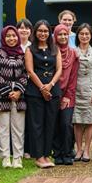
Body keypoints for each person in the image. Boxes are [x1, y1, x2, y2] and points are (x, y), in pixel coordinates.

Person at [24, 20, 62, 169]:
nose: (43, 33)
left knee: (50, 124)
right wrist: (42, 88)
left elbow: (59, 69)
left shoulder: (55, 49)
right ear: (35, 32)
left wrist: (51, 85)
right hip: (35, 92)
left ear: (49, 33)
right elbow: (30, 71)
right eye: (40, 31)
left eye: (46, 31)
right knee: (37, 124)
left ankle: (46, 154)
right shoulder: (30, 49)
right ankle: (38, 156)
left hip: (53, 90)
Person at [0, 25, 28, 168]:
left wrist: (18, 91)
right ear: (3, 38)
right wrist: (7, 92)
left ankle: (17, 158)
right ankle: (5, 157)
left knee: (18, 128)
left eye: (14, 36)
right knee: (3, 128)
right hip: (0, 95)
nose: (11, 38)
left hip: (19, 96)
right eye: (8, 36)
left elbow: (25, 74)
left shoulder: (22, 55)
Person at [73, 23, 92, 162]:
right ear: (77, 35)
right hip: (76, 89)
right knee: (77, 121)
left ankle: (87, 150)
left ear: (91, 36)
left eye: (87, 34)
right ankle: (78, 149)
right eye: (82, 34)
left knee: (90, 121)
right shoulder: (73, 51)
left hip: (90, 89)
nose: (84, 36)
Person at [52, 23, 80, 165]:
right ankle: (57, 154)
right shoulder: (51, 52)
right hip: (52, 94)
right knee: (55, 124)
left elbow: (73, 77)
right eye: (59, 34)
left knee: (66, 124)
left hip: (68, 94)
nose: (63, 37)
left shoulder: (73, 53)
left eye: (65, 34)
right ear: (55, 36)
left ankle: (68, 152)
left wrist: (67, 96)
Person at [16, 18, 33, 159]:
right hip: (15, 88)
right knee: (17, 119)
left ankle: (28, 148)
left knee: (29, 119)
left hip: (31, 87)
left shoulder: (33, 46)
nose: (23, 30)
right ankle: (16, 149)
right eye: (21, 27)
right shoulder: (13, 45)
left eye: (26, 28)